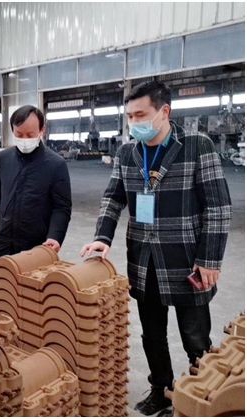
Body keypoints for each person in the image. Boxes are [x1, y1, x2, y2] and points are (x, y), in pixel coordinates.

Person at [81, 81, 232, 416]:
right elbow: (113, 198)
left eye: (141, 115)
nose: (134, 123)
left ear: (164, 111)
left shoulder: (196, 146)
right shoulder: (127, 152)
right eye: (130, 116)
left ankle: (204, 398)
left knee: (195, 337)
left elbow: (218, 206)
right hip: (144, 261)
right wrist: (102, 237)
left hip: (187, 261)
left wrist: (209, 259)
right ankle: (161, 390)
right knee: (152, 335)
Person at [0, 105, 72, 257]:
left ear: (42, 130)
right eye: (19, 134)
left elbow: (62, 207)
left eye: (30, 135)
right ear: (12, 130)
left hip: (37, 247)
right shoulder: (3, 159)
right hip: (4, 242)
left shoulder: (56, 164)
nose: (24, 140)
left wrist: (55, 236)